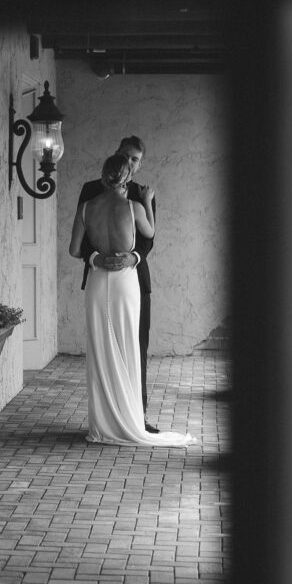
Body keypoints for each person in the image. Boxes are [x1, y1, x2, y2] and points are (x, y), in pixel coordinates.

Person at [69, 154, 195, 448]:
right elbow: (150, 233)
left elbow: (75, 250)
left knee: (101, 349)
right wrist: (149, 201)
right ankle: (130, 420)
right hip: (127, 280)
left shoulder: (87, 208)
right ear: (126, 177)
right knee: (128, 347)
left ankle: (102, 425)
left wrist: (95, 257)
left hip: (99, 280)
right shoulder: (134, 207)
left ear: (103, 175)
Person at [77, 136, 158, 431]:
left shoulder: (141, 194)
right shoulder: (91, 192)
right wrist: (96, 258)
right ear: (117, 156)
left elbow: (148, 245)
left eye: (135, 159)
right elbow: (84, 245)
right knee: (104, 346)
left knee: (136, 347)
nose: (130, 163)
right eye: (127, 157)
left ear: (140, 163)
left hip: (133, 276)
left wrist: (132, 259)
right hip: (105, 277)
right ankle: (113, 419)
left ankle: (137, 415)